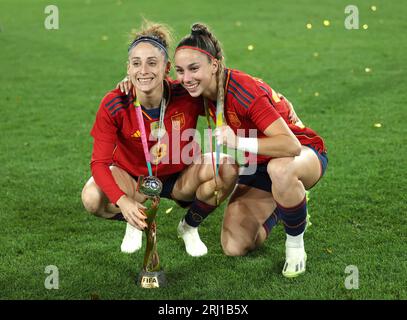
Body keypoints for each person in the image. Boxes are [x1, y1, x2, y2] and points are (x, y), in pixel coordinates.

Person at [173, 23, 328, 277]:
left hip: (302, 153)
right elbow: (159, 91)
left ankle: (295, 245)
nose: (186, 78)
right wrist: (133, 81)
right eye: (180, 71)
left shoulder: (243, 90)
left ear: (214, 65)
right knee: (234, 246)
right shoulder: (198, 88)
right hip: (259, 163)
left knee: (281, 169)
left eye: (193, 68)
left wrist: (238, 142)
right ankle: (286, 205)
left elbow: (291, 145)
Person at [81, 21, 238, 257]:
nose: (143, 70)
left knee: (226, 167)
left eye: (152, 63)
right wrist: (123, 201)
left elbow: (222, 89)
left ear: (167, 68)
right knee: (92, 197)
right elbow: (99, 163)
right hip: (133, 179)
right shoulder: (114, 103)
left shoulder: (187, 94)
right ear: (128, 68)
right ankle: (135, 219)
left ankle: (189, 227)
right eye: (137, 64)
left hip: (180, 177)